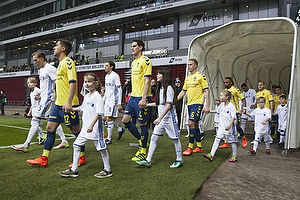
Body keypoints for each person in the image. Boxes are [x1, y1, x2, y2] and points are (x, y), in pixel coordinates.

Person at [27, 40, 85, 167]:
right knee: (49, 128)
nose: (54, 47)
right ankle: (44, 157)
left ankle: (82, 157)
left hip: (68, 105)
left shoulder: (68, 62)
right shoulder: (59, 65)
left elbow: (73, 82)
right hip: (58, 105)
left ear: (63, 48)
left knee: (76, 130)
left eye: (56, 45)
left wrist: (69, 102)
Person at [59, 73, 112, 178]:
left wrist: (91, 125)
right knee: (76, 145)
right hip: (85, 128)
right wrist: (71, 109)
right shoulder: (87, 96)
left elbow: (99, 113)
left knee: (102, 149)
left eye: (89, 82)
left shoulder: (97, 97)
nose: (87, 84)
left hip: (95, 129)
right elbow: (82, 108)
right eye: (85, 82)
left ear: (96, 83)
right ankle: (74, 170)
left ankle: (107, 170)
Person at [135, 67, 183, 168]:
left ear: (164, 76)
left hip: (170, 120)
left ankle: (179, 159)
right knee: (154, 138)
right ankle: (148, 160)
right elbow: (159, 104)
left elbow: (169, 105)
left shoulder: (169, 88)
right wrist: (146, 105)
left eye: (159, 74)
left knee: (175, 139)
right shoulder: (161, 88)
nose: (157, 76)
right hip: (162, 120)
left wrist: (159, 118)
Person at [121, 39, 152, 162]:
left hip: (141, 97)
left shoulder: (146, 61)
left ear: (140, 47)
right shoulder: (134, 63)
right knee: (125, 120)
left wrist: (144, 98)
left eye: (134, 46)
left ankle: (143, 151)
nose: (132, 48)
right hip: (133, 97)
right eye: (131, 46)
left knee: (143, 124)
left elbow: (147, 81)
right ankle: (141, 140)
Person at [31, 50, 69, 149]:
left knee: (35, 119)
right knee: (53, 120)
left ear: (41, 58)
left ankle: (25, 145)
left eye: (36, 60)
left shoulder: (50, 69)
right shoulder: (41, 70)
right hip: (44, 98)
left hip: (48, 99)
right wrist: (40, 95)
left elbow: (58, 83)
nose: (35, 62)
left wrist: (61, 98)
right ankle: (64, 140)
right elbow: (45, 86)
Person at [177, 58, 210, 156]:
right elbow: (183, 91)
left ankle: (190, 146)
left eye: (190, 64)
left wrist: (207, 105)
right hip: (190, 104)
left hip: (198, 104)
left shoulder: (201, 77)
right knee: (194, 125)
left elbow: (206, 91)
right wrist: (175, 100)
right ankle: (199, 146)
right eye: (188, 65)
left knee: (190, 123)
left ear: (195, 66)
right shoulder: (187, 78)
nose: (188, 66)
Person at [203, 90, 238, 162]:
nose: (220, 97)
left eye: (222, 96)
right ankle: (211, 155)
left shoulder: (231, 107)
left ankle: (234, 155)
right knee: (217, 140)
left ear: (227, 97)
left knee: (232, 142)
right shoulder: (221, 105)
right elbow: (217, 111)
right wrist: (209, 111)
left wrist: (229, 125)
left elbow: (233, 117)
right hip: (221, 127)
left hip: (229, 128)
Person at [11, 77, 44, 152]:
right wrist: (30, 111)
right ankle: (42, 136)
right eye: (28, 83)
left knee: (52, 122)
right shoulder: (31, 92)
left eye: (30, 82)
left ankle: (28, 144)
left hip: (40, 110)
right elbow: (33, 104)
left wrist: (40, 98)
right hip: (35, 110)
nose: (29, 84)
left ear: (35, 83)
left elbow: (44, 97)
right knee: (38, 125)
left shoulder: (38, 90)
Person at [219, 77, 247, 149]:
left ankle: (243, 137)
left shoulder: (235, 90)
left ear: (231, 82)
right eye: (224, 82)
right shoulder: (225, 91)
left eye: (227, 82)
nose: (225, 84)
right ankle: (226, 142)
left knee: (237, 126)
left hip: (235, 111)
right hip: (227, 111)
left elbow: (243, 98)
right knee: (226, 126)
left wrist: (244, 108)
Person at [103, 61, 125, 144]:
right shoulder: (106, 76)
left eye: (107, 65)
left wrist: (119, 103)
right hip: (108, 100)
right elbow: (107, 89)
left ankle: (109, 139)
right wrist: (104, 99)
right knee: (104, 118)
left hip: (113, 101)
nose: (105, 67)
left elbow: (119, 89)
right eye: (105, 65)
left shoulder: (115, 76)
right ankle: (120, 129)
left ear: (111, 67)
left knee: (109, 118)